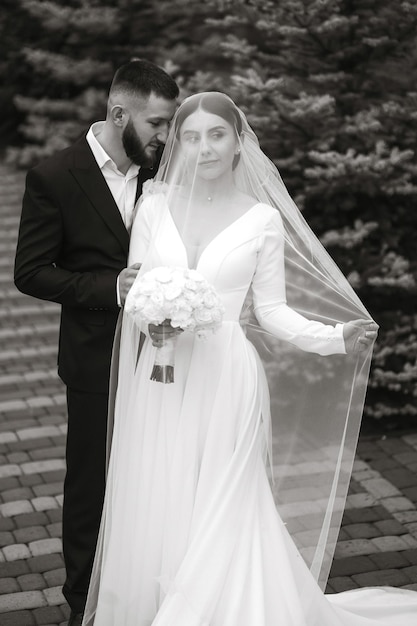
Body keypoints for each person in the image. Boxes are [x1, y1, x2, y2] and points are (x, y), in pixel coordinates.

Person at [83, 92, 417, 625]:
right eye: (191, 137)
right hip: (161, 375)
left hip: (227, 378)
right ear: (178, 145)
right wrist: (154, 316)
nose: (204, 147)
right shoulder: (153, 206)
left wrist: (335, 338)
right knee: (160, 489)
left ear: (239, 142)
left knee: (222, 497)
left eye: (217, 134)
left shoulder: (261, 219)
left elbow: (274, 312)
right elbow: (139, 288)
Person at [14, 59, 179, 626]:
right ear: (119, 113)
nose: (165, 135)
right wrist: (109, 287)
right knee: (93, 484)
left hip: (166, 356)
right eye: (157, 123)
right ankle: (84, 604)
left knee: (159, 477)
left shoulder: (164, 174)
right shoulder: (55, 176)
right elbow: (30, 271)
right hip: (95, 359)